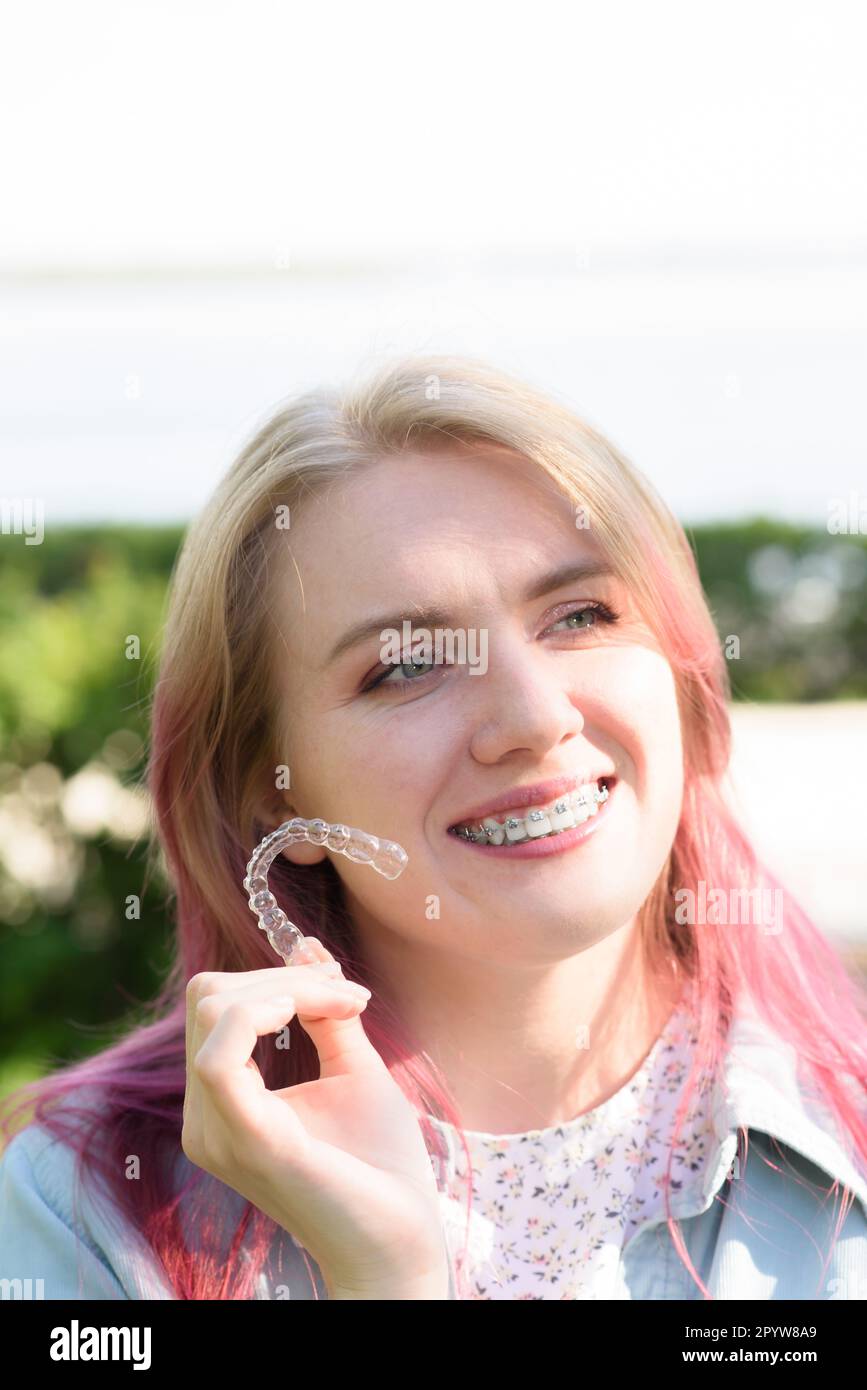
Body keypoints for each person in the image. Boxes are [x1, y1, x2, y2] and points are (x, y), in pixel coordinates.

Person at [1, 354, 866, 1301]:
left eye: (579, 615)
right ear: (275, 794)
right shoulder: (84, 1209)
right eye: (407, 666)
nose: (536, 718)